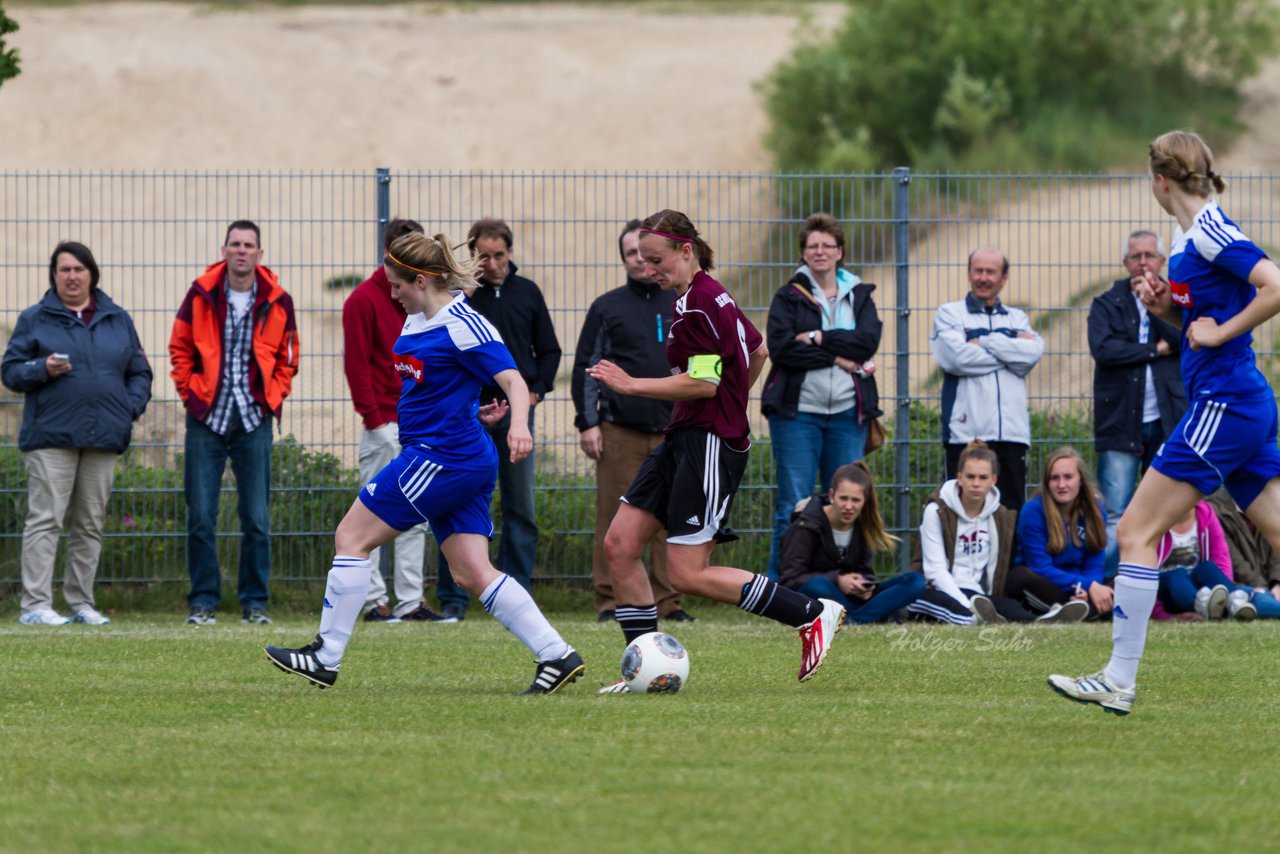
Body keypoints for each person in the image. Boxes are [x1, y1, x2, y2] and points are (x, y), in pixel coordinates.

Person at [265, 231, 583, 694]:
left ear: (419, 280)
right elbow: (442, 386)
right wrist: (470, 409)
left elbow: (513, 380)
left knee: (351, 536)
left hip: (442, 458)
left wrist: (519, 426)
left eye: (397, 285)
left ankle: (325, 656)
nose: (391, 293)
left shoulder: (462, 323)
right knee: (472, 572)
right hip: (456, 451)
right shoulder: (419, 319)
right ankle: (557, 654)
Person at [1050, 130, 1280, 715]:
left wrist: (1222, 332)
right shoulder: (1189, 234)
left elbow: (1274, 285)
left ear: (1159, 180)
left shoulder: (1208, 229)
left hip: (1223, 405)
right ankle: (1117, 678)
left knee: (1134, 532)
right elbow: (1205, 311)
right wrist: (1167, 309)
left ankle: (1118, 678)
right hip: (1237, 403)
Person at [586, 209, 846, 693]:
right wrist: (733, 401)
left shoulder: (701, 304)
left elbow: (704, 383)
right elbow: (758, 349)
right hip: (684, 438)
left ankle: (810, 613)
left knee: (686, 573)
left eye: (657, 259)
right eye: (642, 260)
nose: (649, 269)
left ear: (686, 251)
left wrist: (633, 384)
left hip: (707, 446)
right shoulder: (703, 294)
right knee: (620, 545)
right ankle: (643, 666)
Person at [2, 241, 152, 626]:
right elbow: (11, 371)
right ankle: (35, 606)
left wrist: (126, 409)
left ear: (91, 274)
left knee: (89, 523)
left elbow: (140, 372)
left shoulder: (117, 318)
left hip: (103, 437)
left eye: (78, 269)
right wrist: (41, 368)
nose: (71, 276)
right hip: (50, 437)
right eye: (64, 269)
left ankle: (81, 604)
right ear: (54, 275)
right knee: (45, 519)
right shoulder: (35, 319)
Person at [169, 220, 299, 626]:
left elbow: (289, 358)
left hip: (253, 418)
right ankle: (203, 601)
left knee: (257, 518)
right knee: (201, 515)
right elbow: (179, 347)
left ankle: (255, 603)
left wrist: (271, 399)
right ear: (224, 249)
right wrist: (191, 394)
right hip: (206, 417)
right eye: (235, 244)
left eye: (249, 245)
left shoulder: (278, 300)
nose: (242, 251)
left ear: (260, 254)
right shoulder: (200, 294)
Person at [435, 218, 560, 620]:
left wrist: (532, 396)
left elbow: (550, 351)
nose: (491, 264)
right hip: (471, 416)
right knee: (455, 501)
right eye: (482, 256)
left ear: (510, 253)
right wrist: (465, 289)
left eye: (498, 255)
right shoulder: (462, 299)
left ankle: (516, 596)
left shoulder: (527, 293)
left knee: (521, 505)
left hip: (517, 415)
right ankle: (454, 600)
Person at [571, 219, 692, 624]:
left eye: (647, 255)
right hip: (619, 431)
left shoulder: (681, 301)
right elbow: (587, 367)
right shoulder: (607, 307)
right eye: (631, 255)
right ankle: (610, 601)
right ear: (622, 259)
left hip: (672, 430)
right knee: (614, 518)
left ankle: (668, 602)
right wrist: (589, 423)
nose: (640, 262)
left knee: (667, 518)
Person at [342, 217, 452, 624]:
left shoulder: (427, 306)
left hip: (418, 428)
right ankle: (373, 602)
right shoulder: (361, 301)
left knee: (415, 515)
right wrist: (374, 420)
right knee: (370, 512)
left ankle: (409, 603)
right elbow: (357, 367)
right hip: (382, 425)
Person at [761, 213, 882, 581]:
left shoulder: (859, 295)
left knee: (847, 501)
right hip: (798, 416)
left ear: (840, 251)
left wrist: (817, 338)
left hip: (848, 414)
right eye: (812, 246)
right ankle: (779, 589)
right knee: (793, 505)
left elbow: (867, 343)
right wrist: (838, 356)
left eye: (827, 245)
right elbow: (782, 351)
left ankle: (844, 584)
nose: (820, 251)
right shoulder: (788, 297)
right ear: (803, 253)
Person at [1088, 229, 1186, 575]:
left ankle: (1154, 582)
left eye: (1149, 255)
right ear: (1125, 262)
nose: (1142, 262)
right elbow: (1104, 350)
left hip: (1167, 420)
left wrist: (1157, 306)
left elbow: (1186, 339)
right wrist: (1154, 350)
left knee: (1161, 511)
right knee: (1116, 510)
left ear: (1161, 261)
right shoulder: (1106, 304)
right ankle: (1108, 584)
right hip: (1119, 421)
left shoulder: (1177, 301)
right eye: (1135, 256)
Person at [906, 441, 1088, 625]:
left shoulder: (1000, 516)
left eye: (983, 477)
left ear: (994, 480)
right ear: (959, 477)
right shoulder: (937, 510)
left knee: (1011, 608)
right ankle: (975, 620)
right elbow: (935, 571)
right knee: (962, 612)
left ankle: (1042, 623)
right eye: (970, 477)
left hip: (976, 594)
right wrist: (965, 603)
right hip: (934, 590)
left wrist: (981, 601)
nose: (976, 484)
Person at [931, 247, 1043, 511]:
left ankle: (1006, 556)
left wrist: (984, 341)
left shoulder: (1017, 317)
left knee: (1010, 513)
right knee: (963, 512)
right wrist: (1010, 348)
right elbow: (956, 359)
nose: (983, 278)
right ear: (969, 274)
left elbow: (1033, 353)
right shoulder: (949, 314)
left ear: (1003, 278)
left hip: (1012, 434)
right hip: (966, 433)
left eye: (990, 272)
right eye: (977, 271)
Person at [778, 462, 924, 624]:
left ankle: (854, 619)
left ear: (865, 501)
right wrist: (837, 579)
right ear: (832, 495)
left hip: (851, 598)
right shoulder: (807, 524)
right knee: (818, 585)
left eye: (856, 500)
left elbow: (865, 570)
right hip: (818, 595)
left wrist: (864, 585)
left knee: (914, 581)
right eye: (843, 498)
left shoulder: (863, 524)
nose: (849, 506)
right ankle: (865, 617)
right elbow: (789, 581)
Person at [1010, 447, 1113, 620]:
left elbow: (1094, 564)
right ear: (1047, 482)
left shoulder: (1095, 509)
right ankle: (1084, 611)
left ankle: (1073, 611)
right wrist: (1086, 586)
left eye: (1068, 477)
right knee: (1020, 577)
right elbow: (1040, 567)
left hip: (1081, 588)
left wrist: (1088, 588)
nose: (1061, 485)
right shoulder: (1033, 511)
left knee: (1126, 580)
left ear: (1080, 480)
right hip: (1047, 586)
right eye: (1054, 478)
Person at [1149, 501, 1266, 621]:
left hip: (1202, 588)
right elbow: (1144, 574)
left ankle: (1234, 602)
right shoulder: (1152, 519)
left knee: (1208, 567)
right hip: (1169, 593)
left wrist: (1224, 590)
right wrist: (1163, 615)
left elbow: (1221, 559)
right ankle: (1205, 606)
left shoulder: (1205, 513)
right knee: (1177, 574)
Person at [1206, 489, 1280, 603]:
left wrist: (1277, 583)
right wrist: (1264, 590)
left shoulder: (1270, 501)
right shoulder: (1216, 509)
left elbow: (1277, 549)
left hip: (1272, 585)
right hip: (1242, 588)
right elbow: (1235, 561)